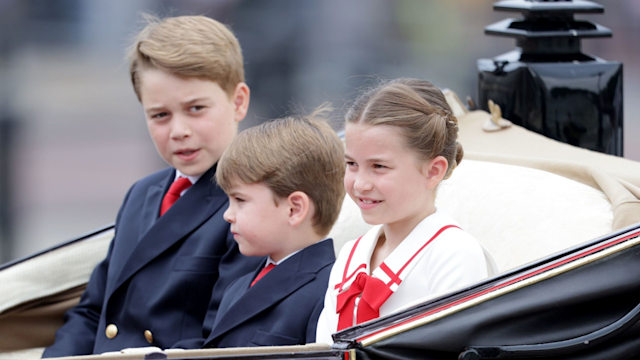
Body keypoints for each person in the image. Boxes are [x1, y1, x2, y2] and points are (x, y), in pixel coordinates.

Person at [42, 15, 262, 357]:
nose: (178, 130)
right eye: (160, 115)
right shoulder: (142, 194)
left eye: (196, 109)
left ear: (238, 102)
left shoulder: (252, 202)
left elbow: (223, 338)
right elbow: (93, 310)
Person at [315, 78, 488, 343]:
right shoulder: (351, 254)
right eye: (351, 163)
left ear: (433, 171)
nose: (360, 183)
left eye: (379, 167)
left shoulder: (454, 254)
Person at [190, 109, 345, 348]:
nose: (227, 215)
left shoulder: (330, 292)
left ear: (294, 209)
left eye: (240, 200)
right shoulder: (237, 287)